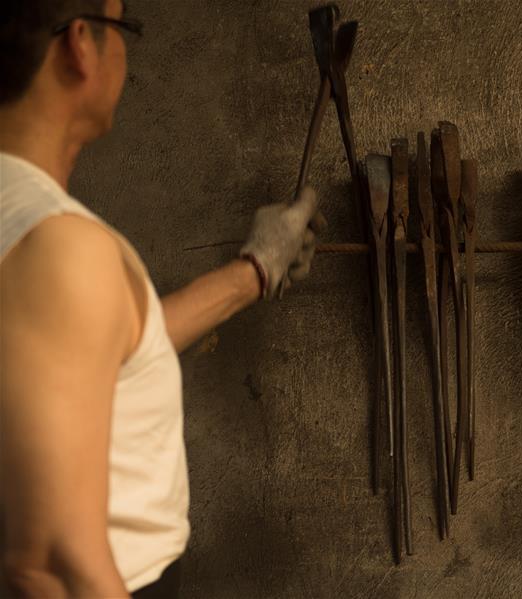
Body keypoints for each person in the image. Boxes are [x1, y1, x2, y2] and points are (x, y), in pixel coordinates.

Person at [0, 1, 322, 596]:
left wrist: (253, 272)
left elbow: (103, 350)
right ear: (81, 44)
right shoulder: (60, 245)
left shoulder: (22, 221)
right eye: (126, 29)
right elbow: (46, 566)